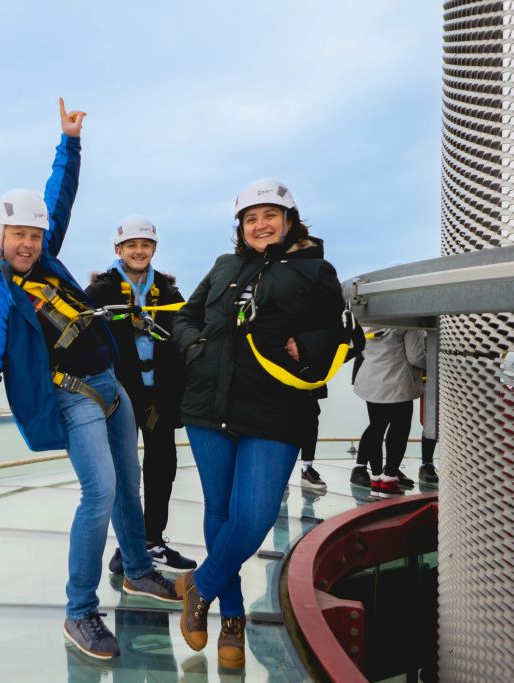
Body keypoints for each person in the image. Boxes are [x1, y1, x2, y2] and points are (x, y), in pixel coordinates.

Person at [0, 99, 179, 662]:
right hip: (72, 397)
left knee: (130, 486)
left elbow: (58, 198)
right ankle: (80, 612)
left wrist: (69, 143)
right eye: (18, 234)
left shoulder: (45, 260)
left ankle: (138, 571)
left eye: (35, 234)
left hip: (110, 386)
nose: (28, 243)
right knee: (99, 492)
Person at [172, 179, 346, 669]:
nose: (260, 225)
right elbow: (186, 316)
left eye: (270, 215)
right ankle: (231, 615)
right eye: (250, 219)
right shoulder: (225, 267)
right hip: (210, 405)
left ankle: (199, 586)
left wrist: (307, 348)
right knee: (220, 510)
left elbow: (337, 330)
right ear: (241, 228)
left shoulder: (316, 271)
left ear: (290, 221)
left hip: (276, 409)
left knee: (254, 514)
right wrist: (192, 348)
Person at [86, 216, 197, 573]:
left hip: (159, 396)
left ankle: (153, 540)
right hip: (118, 395)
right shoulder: (101, 292)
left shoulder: (167, 291)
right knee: (123, 472)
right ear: (118, 250)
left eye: (145, 245)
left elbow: (186, 329)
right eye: (131, 245)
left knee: (162, 466)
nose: (138, 251)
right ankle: (128, 546)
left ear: (154, 249)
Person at [348, 328, 426, 497]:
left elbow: (359, 346)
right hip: (397, 382)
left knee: (376, 427)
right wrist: (436, 361)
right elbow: (416, 357)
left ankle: (376, 478)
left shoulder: (368, 317)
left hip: (371, 380)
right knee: (400, 429)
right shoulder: (409, 320)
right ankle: (389, 479)